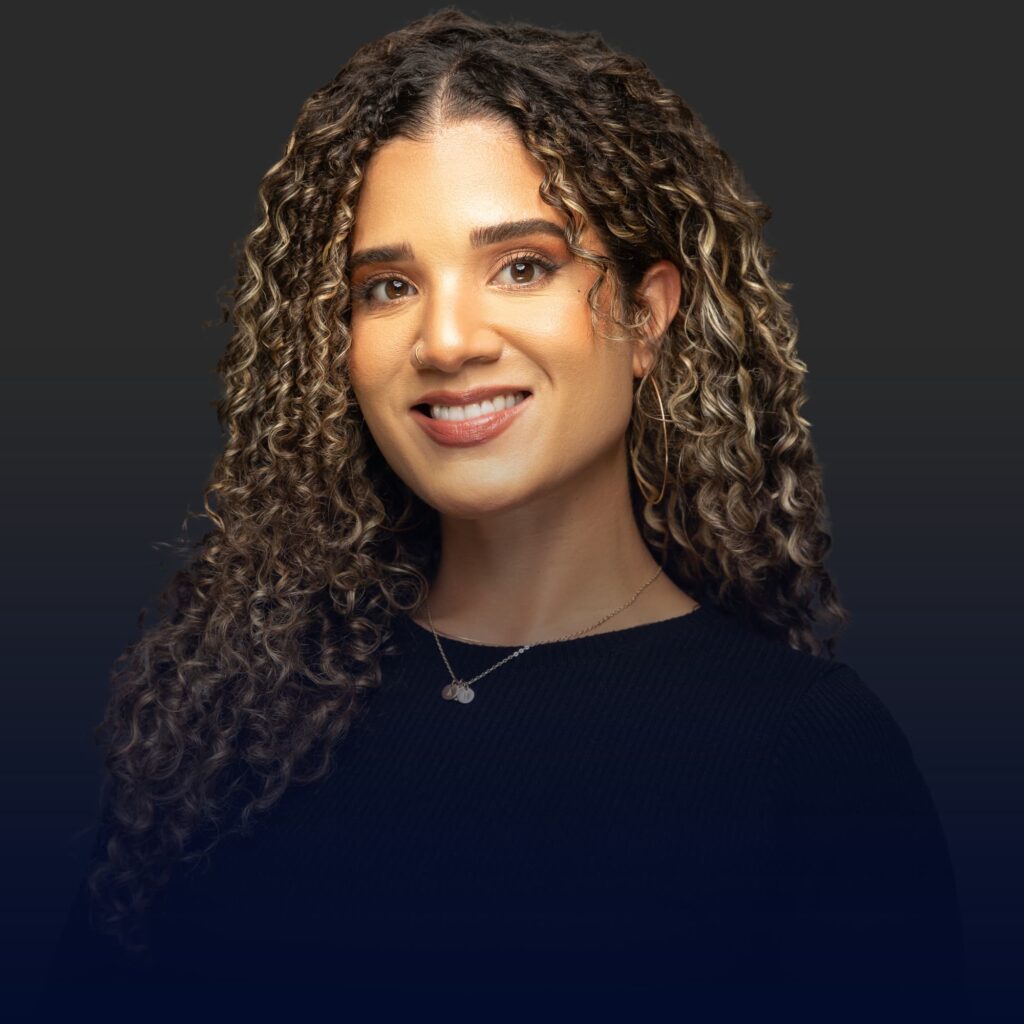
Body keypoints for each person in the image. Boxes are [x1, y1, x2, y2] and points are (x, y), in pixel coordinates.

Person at [34, 8, 968, 1021]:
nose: (444, 339)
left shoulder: (808, 754)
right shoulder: (228, 720)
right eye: (387, 286)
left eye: (521, 266)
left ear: (645, 317)